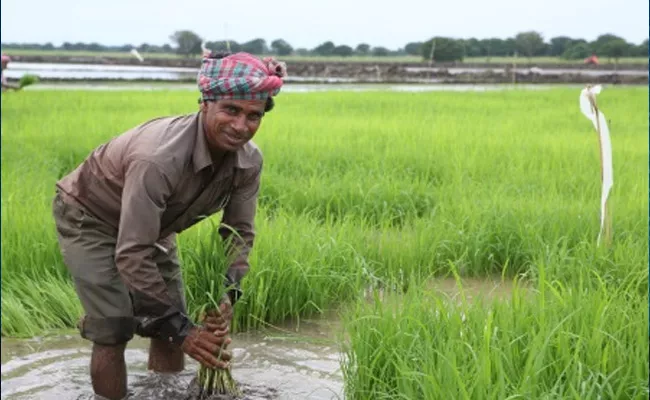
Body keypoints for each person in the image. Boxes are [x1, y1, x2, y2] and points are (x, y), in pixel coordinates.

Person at [52, 51, 287, 400]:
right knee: (114, 325)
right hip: (91, 215)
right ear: (204, 104)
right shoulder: (159, 158)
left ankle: (163, 394)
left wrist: (227, 295)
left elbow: (238, 233)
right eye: (231, 110)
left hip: (154, 226)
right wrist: (185, 333)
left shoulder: (248, 161)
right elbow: (132, 253)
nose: (241, 126)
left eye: (253, 116)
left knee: (170, 318)